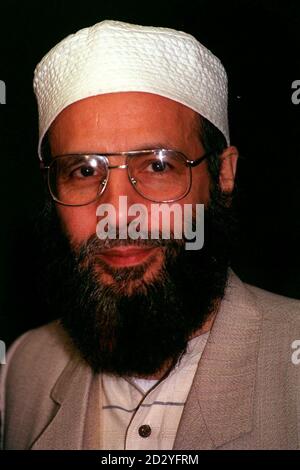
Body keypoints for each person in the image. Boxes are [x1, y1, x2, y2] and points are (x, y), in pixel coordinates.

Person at [1, 19, 300, 451]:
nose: (119, 213)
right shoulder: (25, 368)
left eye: (158, 165)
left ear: (223, 174)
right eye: (84, 171)